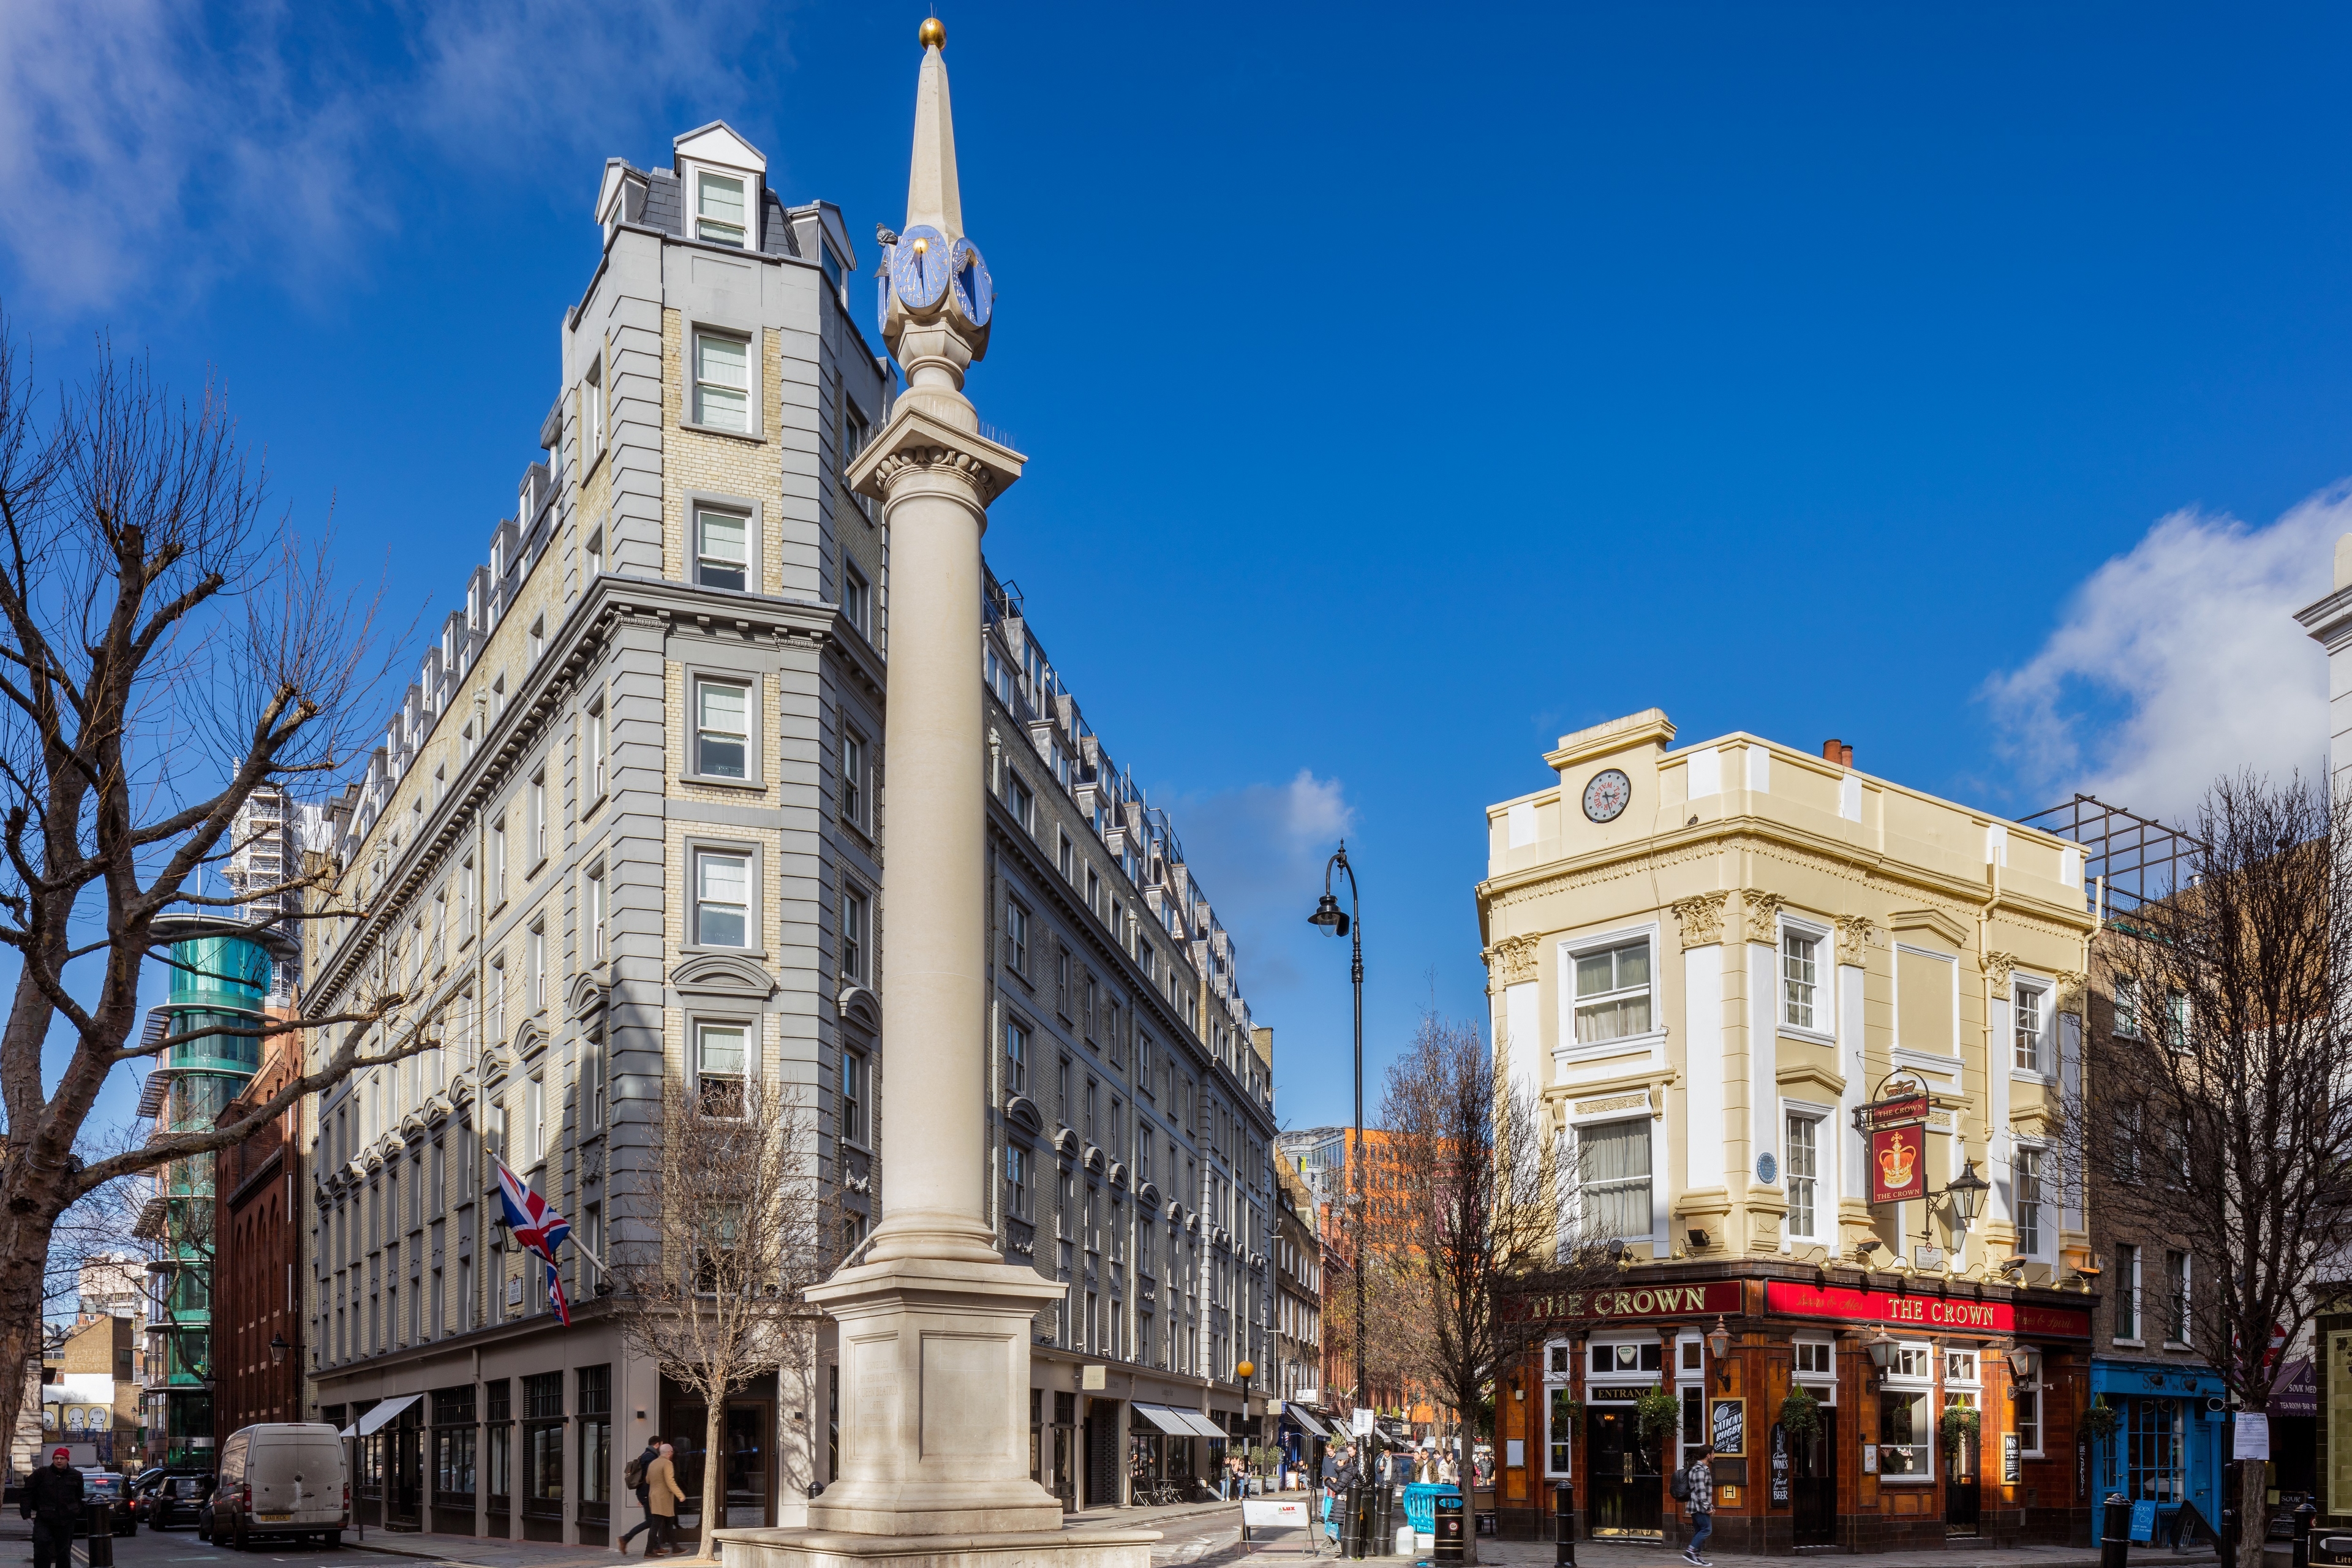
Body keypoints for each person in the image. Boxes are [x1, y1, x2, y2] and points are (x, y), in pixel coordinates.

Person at [22, 1446, 83, 1568]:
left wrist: (76, 1510)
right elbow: (27, 1493)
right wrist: (26, 1512)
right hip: (45, 1518)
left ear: (67, 1460)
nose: (59, 1461)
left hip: (66, 1520)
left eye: (62, 1458)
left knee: (64, 1552)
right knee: (41, 1546)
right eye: (56, 1458)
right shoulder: (41, 1474)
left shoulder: (76, 1475)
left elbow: (79, 1496)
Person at [617, 1434, 663, 1555]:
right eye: (661, 1445)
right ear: (657, 1444)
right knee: (651, 1521)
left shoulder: (645, 1455)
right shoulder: (651, 1457)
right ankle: (626, 1538)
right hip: (647, 1493)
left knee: (652, 1520)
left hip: (644, 1493)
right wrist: (648, 1495)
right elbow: (650, 1477)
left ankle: (656, 1546)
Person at [645, 1441, 686, 1558]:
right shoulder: (667, 1464)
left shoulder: (653, 1463)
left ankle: (675, 1547)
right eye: (672, 1452)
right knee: (656, 1524)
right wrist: (680, 1495)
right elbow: (670, 1481)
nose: (672, 1454)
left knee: (669, 1522)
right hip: (664, 1498)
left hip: (654, 1496)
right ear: (669, 1452)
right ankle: (648, 1551)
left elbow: (648, 1480)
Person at [1681, 1440, 1716, 1568]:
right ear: (1708, 1455)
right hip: (1699, 1507)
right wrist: (1708, 1508)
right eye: (1713, 1454)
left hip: (1696, 1506)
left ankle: (1696, 1556)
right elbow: (1701, 1491)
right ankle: (1691, 1551)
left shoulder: (1699, 1469)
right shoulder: (1700, 1470)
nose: (1714, 1456)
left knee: (1699, 1531)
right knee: (1706, 1530)